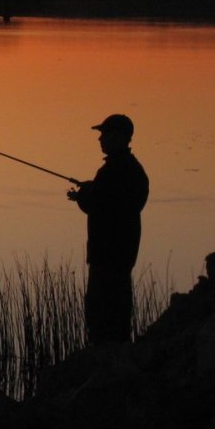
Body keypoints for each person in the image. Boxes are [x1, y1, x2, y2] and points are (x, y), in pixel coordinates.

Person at [67, 114, 149, 345]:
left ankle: (107, 361)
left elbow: (103, 206)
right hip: (118, 254)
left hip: (109, 255)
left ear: (121, 137)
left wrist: (84, 196)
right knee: (113, 312)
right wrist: (90, 191)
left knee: (104, 312)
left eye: (105, 134)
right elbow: (108, 198)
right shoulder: (127, 169)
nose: (100, 139)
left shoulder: (117, 171)